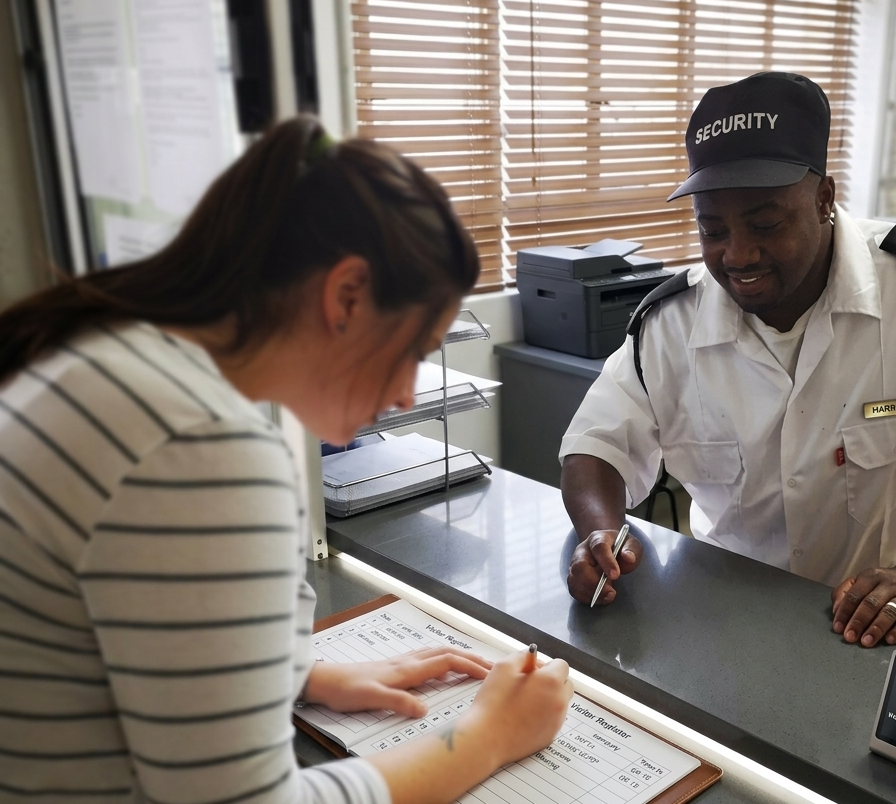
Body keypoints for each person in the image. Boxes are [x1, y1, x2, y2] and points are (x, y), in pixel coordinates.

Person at [0, 117, 572, 803]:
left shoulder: (116, 352)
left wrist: (299, 672)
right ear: (346, 296)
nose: (404, 394)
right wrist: (487, 737)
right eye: (415, 350)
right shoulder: (199, 446)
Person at [560, 72, 896, 649]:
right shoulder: (670, 322)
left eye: (766, 224)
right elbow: (595, 445)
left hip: (890, 608)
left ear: (824, 199)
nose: (738, 254)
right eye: (712, 229)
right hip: (726, 605)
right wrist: (601, 531)